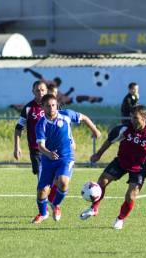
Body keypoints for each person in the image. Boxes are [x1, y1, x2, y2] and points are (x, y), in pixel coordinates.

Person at [80, 105, 146, 229]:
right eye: (131, 118)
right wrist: (98, 154)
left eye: (136, 118)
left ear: (145, 117)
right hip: (121, 161)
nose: (133, 121)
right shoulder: (124, 128)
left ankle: (120, 219)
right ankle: (94, 208)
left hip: (140, 168)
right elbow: (109, 141)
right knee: (102, 181)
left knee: (130, 196)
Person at [32, 94, 101, 224]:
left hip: (66, 157)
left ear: (57, 104)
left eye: (53, 105)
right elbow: (40, 146)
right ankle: (43, 214)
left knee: (63, 182)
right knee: (42, 191)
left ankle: (56, 205)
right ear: (43, 107)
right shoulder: (41, 124)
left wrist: (95, 130)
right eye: (48, 106)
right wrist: (48, 153)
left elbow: (84, 118)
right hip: (48, 160)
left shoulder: (67, 115)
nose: (51, 108)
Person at [14, 81, 57, 204]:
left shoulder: (53, 106)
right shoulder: (28, 108)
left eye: (43, 90)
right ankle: (44, 207)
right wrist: (17, 147)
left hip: (53, 149)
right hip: (36, 150)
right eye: (37, 90)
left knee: (55, 178)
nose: (40, 92)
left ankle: (52, 201)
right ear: (33, 91)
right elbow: (18, 128)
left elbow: (63, 124)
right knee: (42, 178)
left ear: (47, 91)